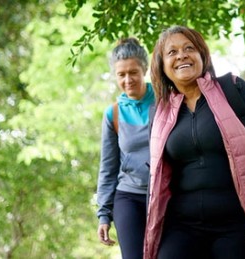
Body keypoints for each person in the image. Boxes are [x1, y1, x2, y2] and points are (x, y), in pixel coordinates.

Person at [143, 26, 245, 259]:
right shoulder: (158, 114)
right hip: (181, 227)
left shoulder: (233, 89)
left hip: (237, 227)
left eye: (189, 48)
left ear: (202, 56)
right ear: (161, 65)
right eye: (172, 52)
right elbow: (155, 177)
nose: (182, 55)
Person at [96, 37, 155, 259]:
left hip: (164, 195)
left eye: (133, 72)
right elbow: (108, 167)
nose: (128, 79)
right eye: (121, 74)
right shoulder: (113, 114)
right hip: (128, 196)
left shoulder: (166, 102)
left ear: (145, 70)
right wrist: (103, 215)